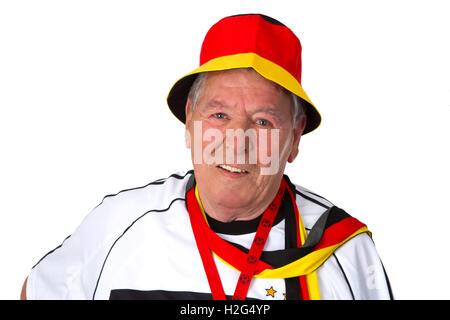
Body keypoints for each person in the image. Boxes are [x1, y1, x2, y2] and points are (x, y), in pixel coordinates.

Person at [21, 13, 393, 300]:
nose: (236, 141)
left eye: (263, 121)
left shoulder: (343, 251)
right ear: (189, 122)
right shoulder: (117, 225)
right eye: (219, 115)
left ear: (294, 138)